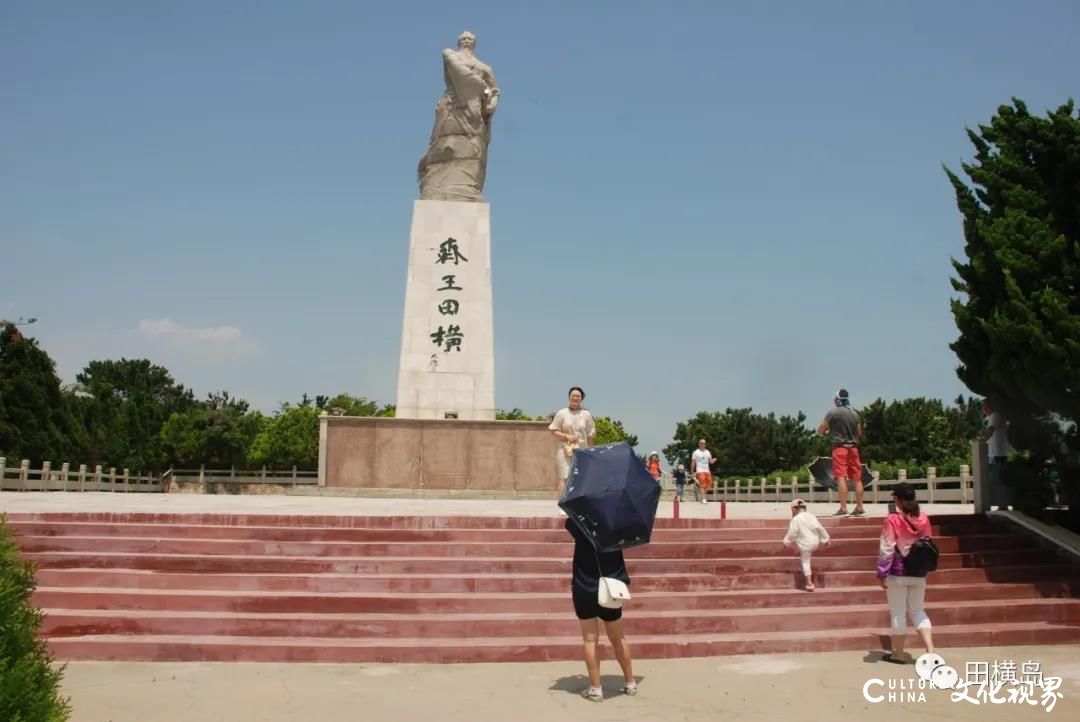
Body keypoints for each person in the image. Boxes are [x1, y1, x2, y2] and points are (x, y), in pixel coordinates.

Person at [566, 518, 637, 701]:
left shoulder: (580, 524)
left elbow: (565, 515)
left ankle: (596, 688)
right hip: (611, 587)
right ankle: (630, 682)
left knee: (590, 640)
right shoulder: (617, 525)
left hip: (584, 587)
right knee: (618, 637)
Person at [876, 482, 935, 664]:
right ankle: (930, 650)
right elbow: (928, 543)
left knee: (898, 613)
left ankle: (898, 654)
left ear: (898, 500)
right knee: (918, 610)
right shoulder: (924, 519)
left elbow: (887, 548)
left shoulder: (892, 519)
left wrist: (881, 572)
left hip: (898, 572)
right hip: (919, 572)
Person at [817, 388, 865, 516]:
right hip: (853, 449)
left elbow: (821, 429)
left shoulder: (832, 413)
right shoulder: (855, 414)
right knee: (857, 478)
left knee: (841, 477)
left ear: (837, 399)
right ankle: (860, 508)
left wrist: (824, 433)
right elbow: (859, 434)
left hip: (840, 448)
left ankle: (843, 509)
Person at [549, 387, 596, 495]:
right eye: (573, 395)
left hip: (582, 450)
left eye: (578, 396)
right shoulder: (562, 413)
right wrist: (566, 436)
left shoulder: (587, 415)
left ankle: (577, 506)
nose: (575, 398)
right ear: (569, 397)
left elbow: (590, 435)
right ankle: (562, 506)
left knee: (581, 478)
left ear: (582, 399)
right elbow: (553, 430)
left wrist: (591, 452)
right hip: (565, 450)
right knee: (564, 477)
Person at [782, 499, 830, 591]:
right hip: (815, 542)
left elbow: (792, 533)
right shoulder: (811, 516)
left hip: (805, 544)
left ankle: (809, 583)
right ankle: (804, 570)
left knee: (805, 561)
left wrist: (786, 541)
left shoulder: (795, 519)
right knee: (806, 556)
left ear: (793, 509)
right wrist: (825, 539)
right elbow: (819, 527)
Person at [982, 400, 1011, 509]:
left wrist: (980, 441)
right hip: (998, 453)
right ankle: (1001, 504)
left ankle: (1002, 505)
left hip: (997, 454)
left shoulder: (995, 415)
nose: (983, 409)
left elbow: (990, 431)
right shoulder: (998, 416)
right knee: (998, 479)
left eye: (984, 406)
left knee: (998, 480)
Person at [690, 439, 716, 504]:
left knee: (709, 484)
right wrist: (692, 472)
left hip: (707, 470)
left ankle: (702, 495)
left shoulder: (708, 452)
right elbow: (693, 463)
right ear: (699, 444)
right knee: (702, 484)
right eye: (701, 443)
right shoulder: (696, 452)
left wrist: (713, 460)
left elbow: (710, 462)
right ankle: (704, 498)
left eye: (704, 443)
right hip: (699, 470)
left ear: (705, 444)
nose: (702, 444)